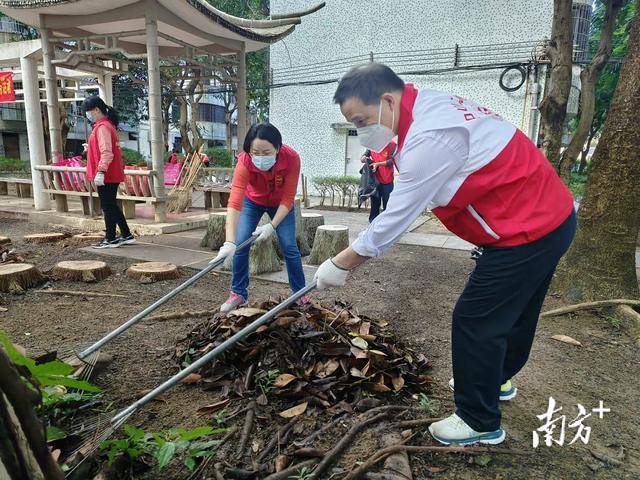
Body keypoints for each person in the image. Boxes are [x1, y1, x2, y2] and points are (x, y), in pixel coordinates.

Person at [314, 63, 575, 446]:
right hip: (550, 217)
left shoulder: (430, 136)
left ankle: (478, 419)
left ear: (388, 100)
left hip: (527, 232)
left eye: (362, 119)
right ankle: (495, 378)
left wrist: (342, 263)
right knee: (516, 312)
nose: (362, 130)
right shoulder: (430, 108)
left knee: (475, 319)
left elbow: (396, 217)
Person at [212, 123, 308, 312]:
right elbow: (235, 202)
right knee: (241, 244)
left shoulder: (292, 158)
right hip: (252, 202)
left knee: (289, 246)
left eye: (266, 152)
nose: (260, 157)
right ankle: (238, 293)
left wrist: (271, 226)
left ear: (278, 148)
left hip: (281, 205)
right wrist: (230, 241)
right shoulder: (245, 161)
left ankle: (300, 294)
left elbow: (289, 197)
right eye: (256, 152)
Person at [83, 95, 136, 249]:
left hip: (106, 174)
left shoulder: (102, 127)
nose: (88, 115)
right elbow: (105, 149)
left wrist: (100, 171)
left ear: (96, 110)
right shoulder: (105, 126)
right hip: (110, 173)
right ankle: (126, 234)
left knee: (107, 207)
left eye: (88, 112)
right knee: (111, 205)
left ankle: (111, 238)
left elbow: (107, 152)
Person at [361, 140, 396, 222]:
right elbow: (365, 155)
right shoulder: (372, 144)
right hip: (374, 181)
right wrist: (363, 158)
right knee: (374, 205)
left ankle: (386, 226)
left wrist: (378, 164)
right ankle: (372, 225)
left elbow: (392, 161)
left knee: (387, 205)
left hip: (387, 181)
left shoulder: (392, 145)